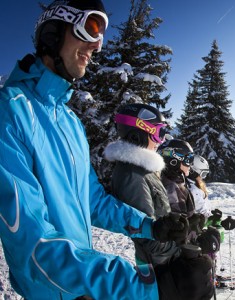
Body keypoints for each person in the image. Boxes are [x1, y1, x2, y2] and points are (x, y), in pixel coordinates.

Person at [0, 0, 210, 299]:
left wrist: (152, 227)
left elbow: (93, 200)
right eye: (89, 29)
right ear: (53, 32)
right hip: (49, 290)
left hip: (80, 287)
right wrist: (148, 288)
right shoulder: (10, 113)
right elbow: (32, 243)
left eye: (100, 36)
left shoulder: (69, 121)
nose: (96, 46)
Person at [104, 103, 182, 267]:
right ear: (137, 134)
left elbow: (161, 217)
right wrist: (183, 247)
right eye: (158, 134)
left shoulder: (144, 171)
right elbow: (148, 239)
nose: (160, 142)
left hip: (165, 260)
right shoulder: (132, 175)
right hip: (158, 267)